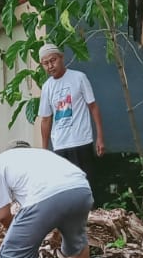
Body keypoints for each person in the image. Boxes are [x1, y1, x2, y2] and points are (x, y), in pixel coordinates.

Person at [36, 44, 105, 178]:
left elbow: (93, 107)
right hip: (60, 145)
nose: (50, 66)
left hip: (82, 141)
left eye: (53, 60)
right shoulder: (47, 87)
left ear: (61, 57)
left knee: (86, 184)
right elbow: (46, 119)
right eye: (45, 63)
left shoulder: (79, 78)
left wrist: (100, 137)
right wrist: (44, 150)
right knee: (65, 187)